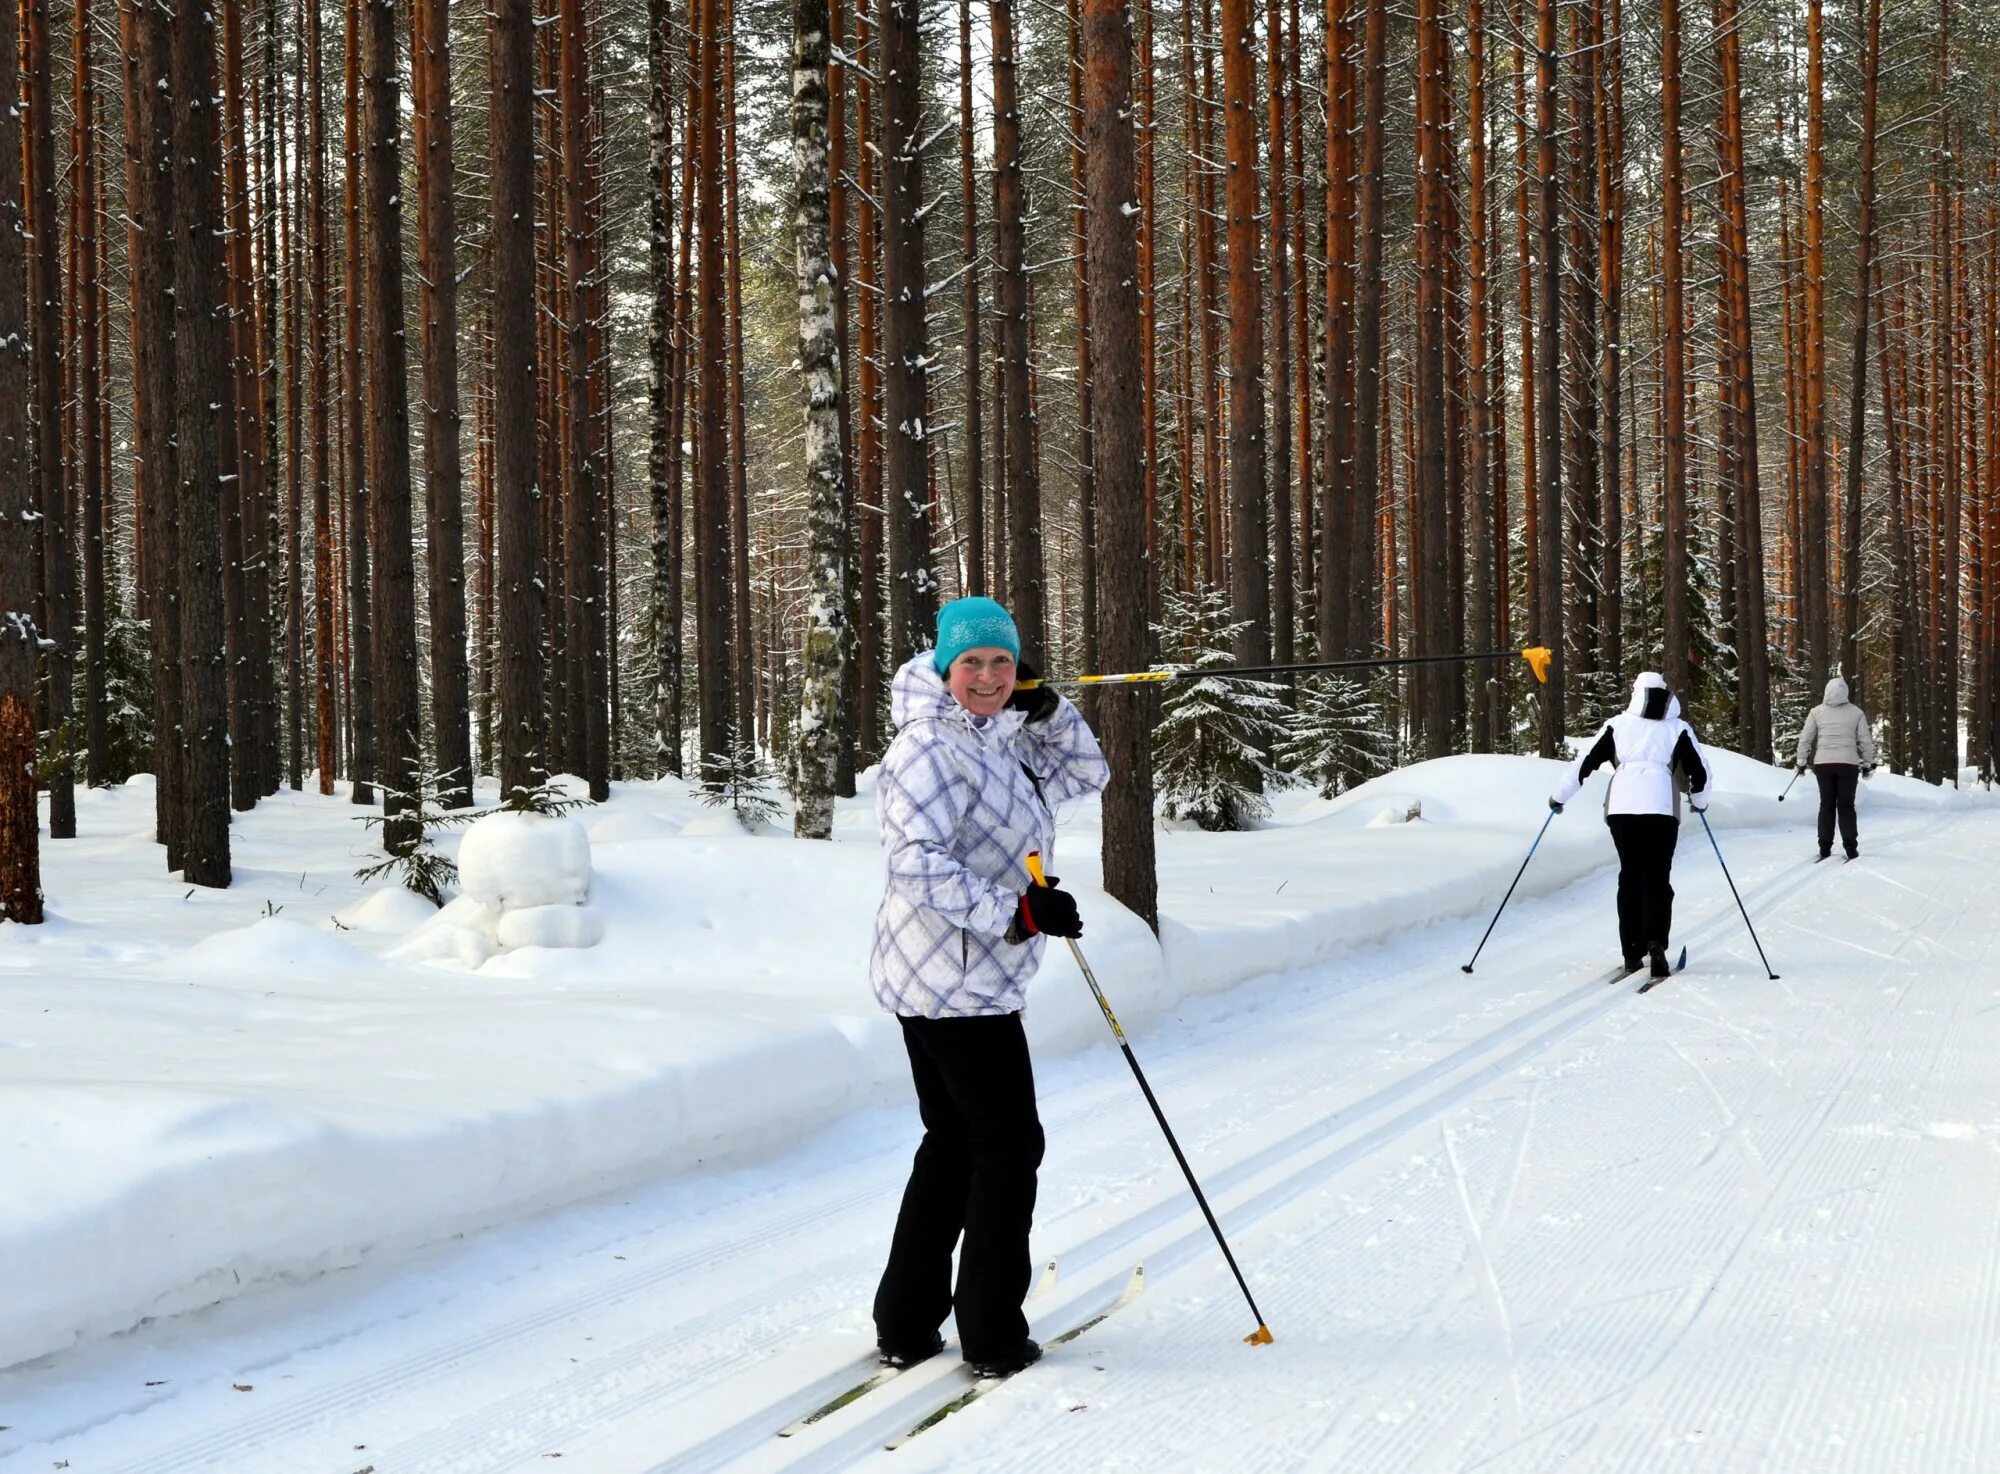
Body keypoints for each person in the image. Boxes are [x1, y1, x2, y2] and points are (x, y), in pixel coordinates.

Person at [869, 596, 1109, 1380]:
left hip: (963, 976)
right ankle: (992, 1335)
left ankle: (906, 1321)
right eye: (971, 662)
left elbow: (1087, 773)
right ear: (943, 667)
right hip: (953, 981)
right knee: (1008, 1147)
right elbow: (913, 860)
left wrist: (1048, 707)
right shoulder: (929, 748)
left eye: (1003, 663)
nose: (988, 676)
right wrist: (1016, 909)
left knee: (956, 1143)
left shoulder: (1001, 736)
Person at [1548, 672, 1714, 979]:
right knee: (1657, 877)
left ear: (1636, 694)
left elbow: (1585, 762)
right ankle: (1656, 945)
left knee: (1630, 875)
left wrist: (1560, 797)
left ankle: (1631, 951)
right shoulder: (1678, 728)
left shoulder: (1617, 725)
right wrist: (1700, 801)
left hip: (1622, 809)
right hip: (1661, 809)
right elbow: (1700, 771)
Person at [1795, 676, 1878, 861]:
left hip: (1823, 764)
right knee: (1846, 806)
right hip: (1848, 765)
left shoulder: (1816, 712)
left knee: (1826, 805)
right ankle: (1850, 847)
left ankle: (1824, 847)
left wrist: (1801, 761)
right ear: (1845, 692)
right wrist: (1867, 763)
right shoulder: (1856, 713)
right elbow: (1865, 740)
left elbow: (1805, 738)